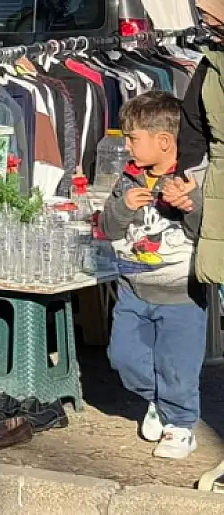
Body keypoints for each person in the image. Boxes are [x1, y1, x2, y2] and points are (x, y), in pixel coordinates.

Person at [103, 91, 205, 460]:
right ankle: (155, 401)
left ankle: (181, 425)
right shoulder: (130, 178)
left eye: (132, 138)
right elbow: (109, 228)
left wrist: (189, 205)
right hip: (132, 288)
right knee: (123, 356)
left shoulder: (192, 179)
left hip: (182, 295)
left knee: (177, 364)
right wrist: (121, 207)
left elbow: (204, 231)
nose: (126, 145)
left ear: (163, 142)